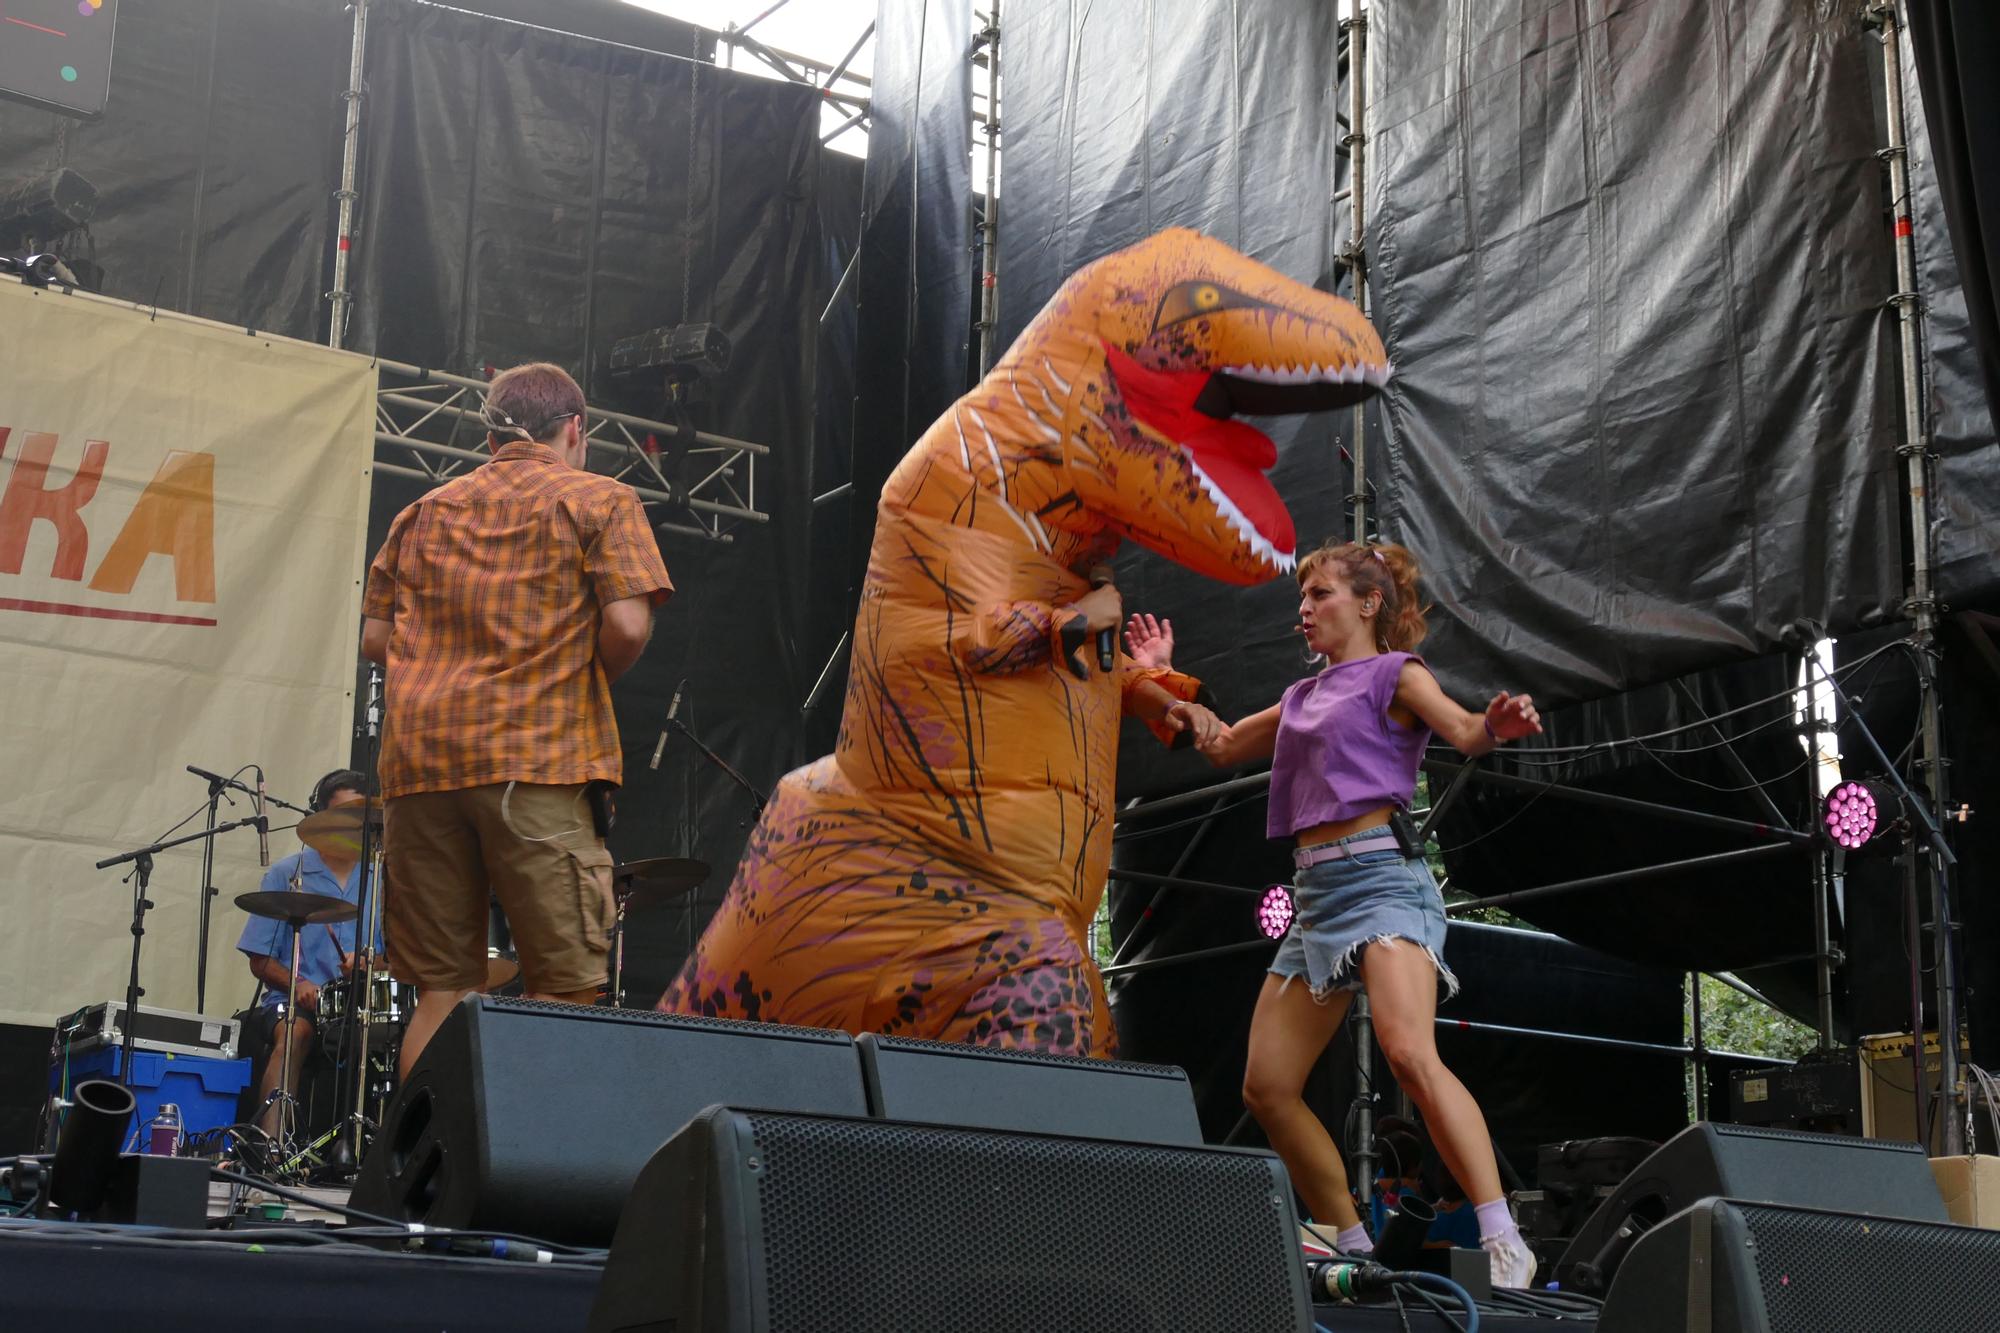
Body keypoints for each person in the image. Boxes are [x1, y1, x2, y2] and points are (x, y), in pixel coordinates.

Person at [1141, 539, 1542, 1288]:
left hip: (1384, 883)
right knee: (1266, 1085)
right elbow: (1222, 745)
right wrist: (1158, 677)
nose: (1304, 609)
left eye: (1319, 593)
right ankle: (1354, 1239)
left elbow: (1461, 732)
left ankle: (1502, 1235)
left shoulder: (1397, 673)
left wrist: (1495, 727)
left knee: (1408, 1054)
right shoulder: (1299, 698)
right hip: (1316, 900)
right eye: (1301, 597)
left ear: (1367, 604)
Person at [361, 361, 673, 1078]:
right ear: (574, 429)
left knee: (441, 990)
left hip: (421, 768)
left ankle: (420, 1184)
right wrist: (565, 678)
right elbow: (626, 625)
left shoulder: (420, 514)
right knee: (564, 988)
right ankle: (533, 1182)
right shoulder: (602, 499)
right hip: (537, 759)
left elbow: (377, 640)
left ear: (491, 433)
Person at [237, 769, 379, 1137]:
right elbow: (260, 959)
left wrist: (371, 963)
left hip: (363, 1004)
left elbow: (402, 958)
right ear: (320, 817)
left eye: (359, 816)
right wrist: (297, 981)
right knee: (294, 1034)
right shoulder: (289, 873)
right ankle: (272, 1144)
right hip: (296, 1001)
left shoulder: (383, 877)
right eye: (342, 814)